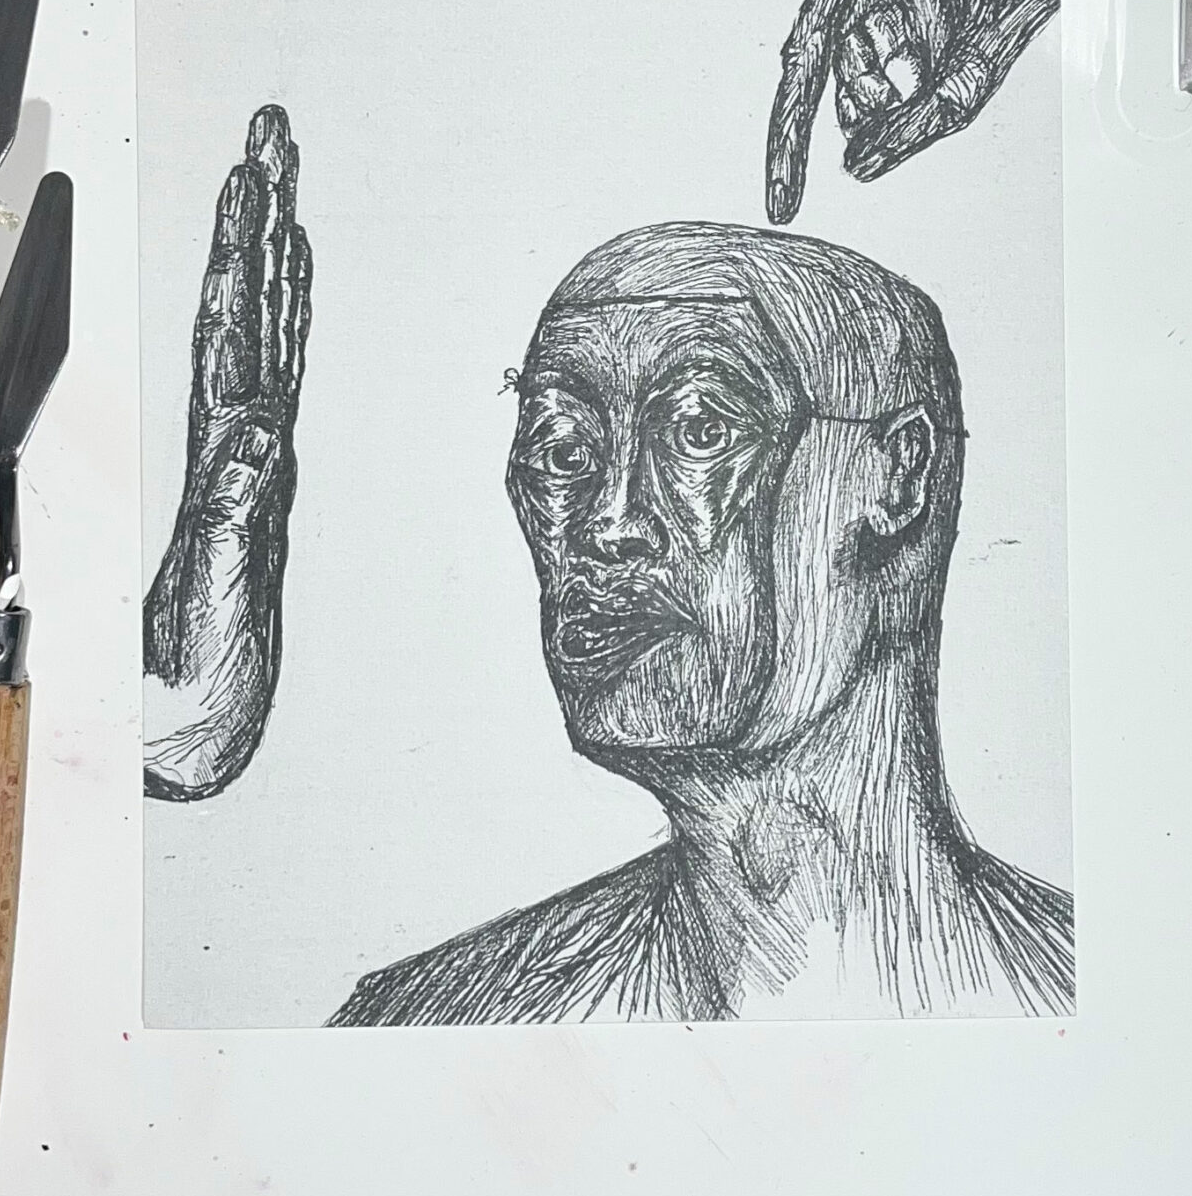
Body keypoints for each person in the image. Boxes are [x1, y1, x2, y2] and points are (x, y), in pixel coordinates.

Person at [331, 220, 1071, 1023]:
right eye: (563, 454)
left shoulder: (1098, 996)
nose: (609, 523)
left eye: (699, 433)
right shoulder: (423, 1019)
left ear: (896, 476)